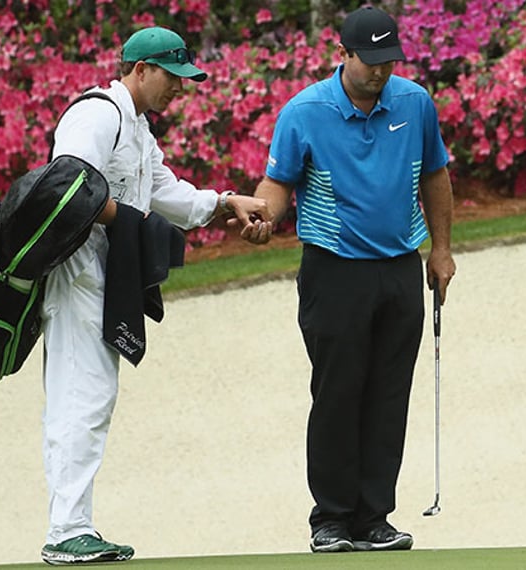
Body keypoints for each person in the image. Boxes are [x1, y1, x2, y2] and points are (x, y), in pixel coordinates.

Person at [39, 26, 269, 565]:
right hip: (77, 278)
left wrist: (225, 201)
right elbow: (65, 187)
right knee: (81, 399)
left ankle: (73, 526)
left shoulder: (138, 128)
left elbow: (166, 193)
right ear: (140, 70)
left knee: (93, 398)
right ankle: (66, 531)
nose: (180, 88)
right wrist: (131, 220)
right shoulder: (97, 115)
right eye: (172, 76)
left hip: (105, 278)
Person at [240, 6, 456, 554]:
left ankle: (373, 517)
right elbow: (277, 183)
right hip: (333, 270)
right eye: (370, 60)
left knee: (389, 394)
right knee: (338, 393)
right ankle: (331, 518)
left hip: (400, 267)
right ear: (343, 54)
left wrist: (442, 250)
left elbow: (435, 174)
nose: (380, 71)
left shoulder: (415, 103)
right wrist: (264, 218)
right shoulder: (304, 112)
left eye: (389, 60)